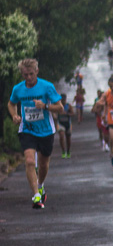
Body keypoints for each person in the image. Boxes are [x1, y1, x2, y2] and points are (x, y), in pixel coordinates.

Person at [7, 58, 64, 209]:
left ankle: (40, 185)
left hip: (46, 130)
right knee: (30, 161)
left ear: (37, 72)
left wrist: (45, 106)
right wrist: (14, 115)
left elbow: (60, 108)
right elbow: (11, 104)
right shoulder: (18, 89)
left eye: (31, 74)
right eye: (25, 75)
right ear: (22, 74)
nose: (29, 78)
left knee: (44, 164)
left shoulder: (47, 87)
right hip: (27, 130)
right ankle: (36, 195)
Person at [56, 94, 73, 158]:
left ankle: (68, 151)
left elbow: (73, 113)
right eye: (61, 100)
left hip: (68, 123)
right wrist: (55, 116)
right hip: (60, 123)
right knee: (61, 136)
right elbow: (54, 114)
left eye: (64, 100)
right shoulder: (58, 106)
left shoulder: (68, 106)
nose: (63, 101)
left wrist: (67, 113)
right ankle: (63, 151)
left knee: (68, 138)